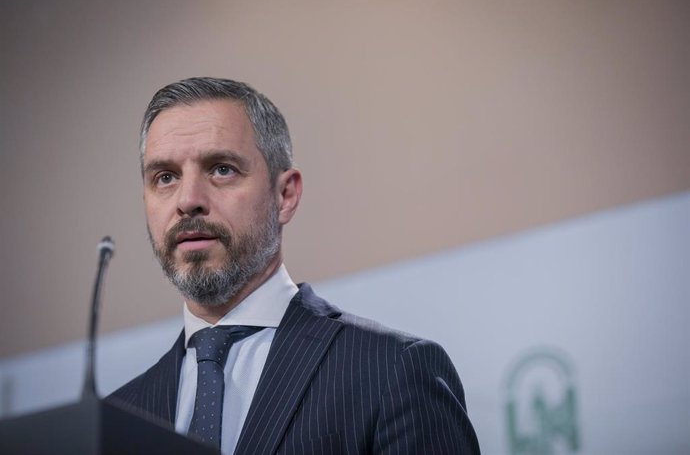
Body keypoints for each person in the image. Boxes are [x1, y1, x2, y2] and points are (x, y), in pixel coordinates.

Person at [108, 77, 480, 455]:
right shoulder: (115, 420)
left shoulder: (393, 370)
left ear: (285, 195)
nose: (188, 200)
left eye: (221, 169)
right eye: (165, 177)